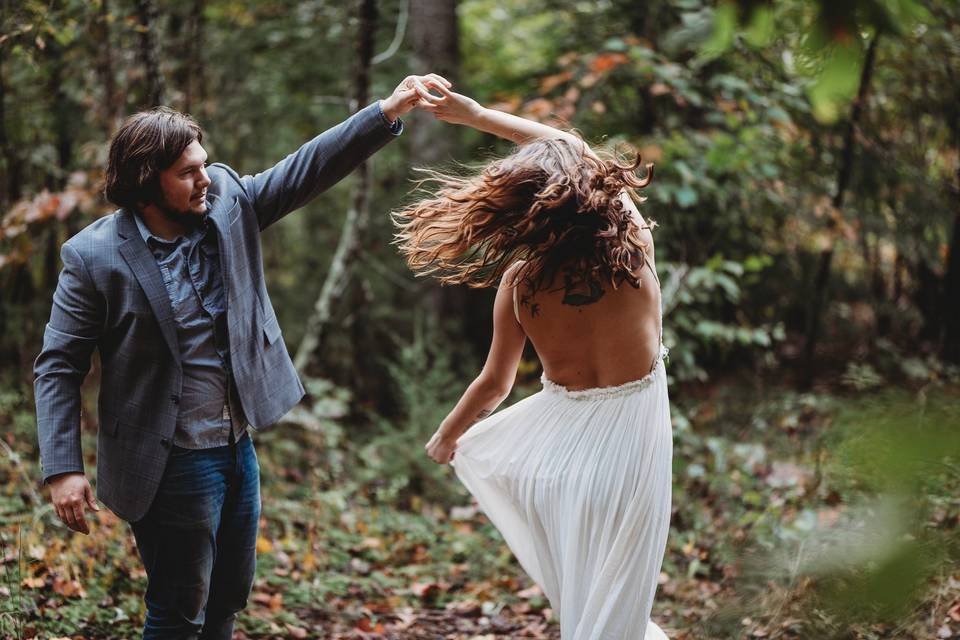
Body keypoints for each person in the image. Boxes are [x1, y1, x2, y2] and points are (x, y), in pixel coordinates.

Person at [33, 73, 448, 639]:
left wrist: (385, 111)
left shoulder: (227, 201)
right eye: (187, 172)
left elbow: (306, 167)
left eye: (204, 163)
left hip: (235, 447)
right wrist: (63, 469)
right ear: (145, 184)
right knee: (180, 608)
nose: (204, 178)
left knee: (228, 596)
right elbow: (58, 365)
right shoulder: (94, 258)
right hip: (168, 460)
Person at [394, 84, 672, 640]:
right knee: (618, 600)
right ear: (586, 191)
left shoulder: (521, 286)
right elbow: (573, 149)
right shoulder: (633, 249)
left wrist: (448, 437)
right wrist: (476, 116)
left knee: (585, 599)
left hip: (561, 462)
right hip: (633, 454)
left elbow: (493, 383)